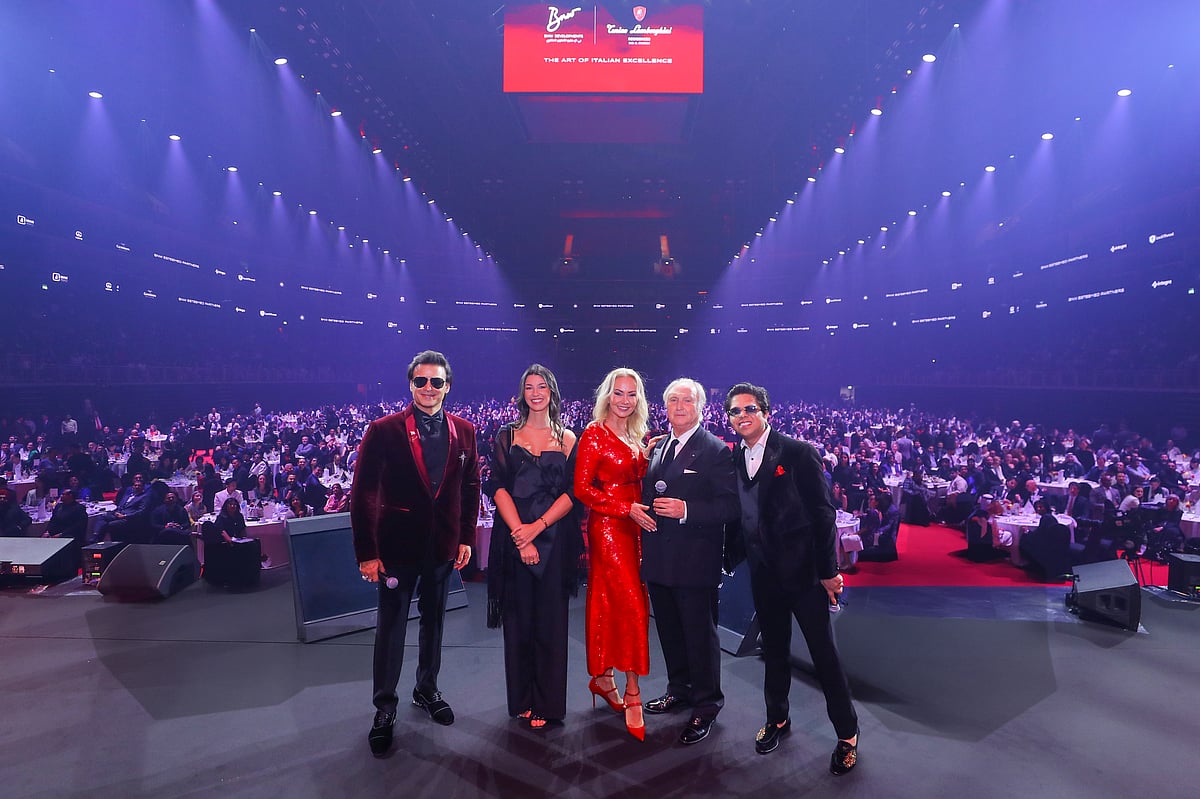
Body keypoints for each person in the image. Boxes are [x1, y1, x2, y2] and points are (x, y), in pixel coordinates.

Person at [722, 382, 859, 775]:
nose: (742, 416)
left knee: (824, 655)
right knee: (775, 651)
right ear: (729, 419)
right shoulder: (734, 458)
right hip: (762, 575)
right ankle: (778, 719)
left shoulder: (799, 453)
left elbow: (823, 513)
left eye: (750, 409)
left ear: (767, 412)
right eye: (735, 411)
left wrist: (829, 572)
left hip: (804, 576)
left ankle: (847, 734)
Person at [351, 350, 480, 757]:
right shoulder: (384, 430)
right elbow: (364, 494)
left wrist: (465, 537)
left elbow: (470, 488)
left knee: (435, 624)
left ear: (448, 386)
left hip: (441, 547)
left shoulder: (465, 431)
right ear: (410, 384)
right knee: (390, 629)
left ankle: (427, 689)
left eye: (436, 382)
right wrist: (367, 552)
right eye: (421, 381)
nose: (428, 388)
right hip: (395, 548)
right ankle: (384, 708)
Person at [639, 378, 739, 745]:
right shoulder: (658, 447)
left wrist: (686, 510)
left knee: (700, 637)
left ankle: (707, 705)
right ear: (664, 407)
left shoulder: (716, 450)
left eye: (687, 400)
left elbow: (731, 507)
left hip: (696, 562)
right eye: (673, 401)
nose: (679, 406)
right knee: (669, 632)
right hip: (659, 560)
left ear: (700, 407)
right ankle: (678, 689)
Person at [485, 364, 581, 729]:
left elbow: (574, 493)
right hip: (513, 538)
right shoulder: (506, 436)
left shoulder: (570, 438)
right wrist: (520, 534)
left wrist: (538, 527)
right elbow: (496, 486)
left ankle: (548, 703)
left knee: (550, 624)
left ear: (552, 392)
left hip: (555, 540)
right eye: (529, 386)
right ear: (522, 392)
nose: (536, 392)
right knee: (519, 622)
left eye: (542, 386)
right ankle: (522, 699)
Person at [573, 367, 652, 741]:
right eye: (618, 393)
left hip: (637, 527)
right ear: (607, 395)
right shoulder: (594, 434)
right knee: (632, 605)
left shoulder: (637, 435)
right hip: (608, 528)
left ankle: (603, 677)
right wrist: (624, 510)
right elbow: (583, 490)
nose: (624, 400)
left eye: (631, 394)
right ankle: (633, 692)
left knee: (613, 602)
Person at [89, 473, 151, 543]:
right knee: (102, 516)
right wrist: (116, 512)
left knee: (110, 525)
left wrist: (125, 516)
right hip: (118, 514)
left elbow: (141, 511)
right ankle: (96, 536)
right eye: (135, 485)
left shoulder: (144, 497)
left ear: (143, 488)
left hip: (128, 518)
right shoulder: (127, 495)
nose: (137, 487)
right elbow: (120, 506)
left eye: (139, 486)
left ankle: (102, 541)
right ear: (132, 486)